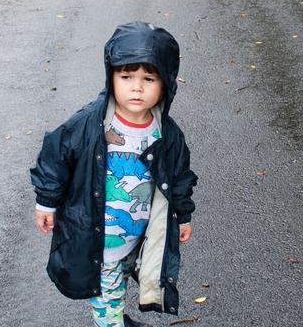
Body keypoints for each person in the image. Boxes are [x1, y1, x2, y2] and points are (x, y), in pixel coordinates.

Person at [31, 22, 198, 327]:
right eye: (126, 77)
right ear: (111, 77)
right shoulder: (89, 125)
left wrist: (183, 216)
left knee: (118, 285)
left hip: (136, 239)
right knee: (107, 307)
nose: (137, 87)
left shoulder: (167, 135)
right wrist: (47, 201)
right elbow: (54, 157)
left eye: (149, 78)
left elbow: (180, 178)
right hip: (99, 243)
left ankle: (116, 314)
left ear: (166, 84)